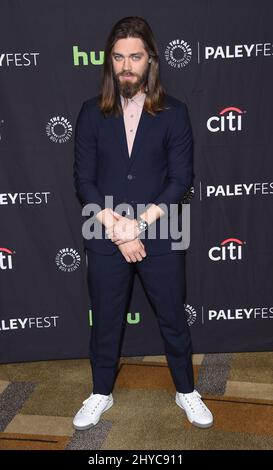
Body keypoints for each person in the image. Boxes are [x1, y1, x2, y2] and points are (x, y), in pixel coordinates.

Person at [73, 16, 213, 430]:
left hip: (161, 231)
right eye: (118, 57)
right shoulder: (90, 112)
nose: (126, 66)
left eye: (135, 56)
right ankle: (100, 392)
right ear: (109, 62)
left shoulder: (175, 113)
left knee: (173, 317)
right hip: (105, 229)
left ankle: (186, 390)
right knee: (106, 319)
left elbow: (180, 180)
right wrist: (117, 229)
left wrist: (137, 226)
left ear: (150, 59)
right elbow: (84, 179)